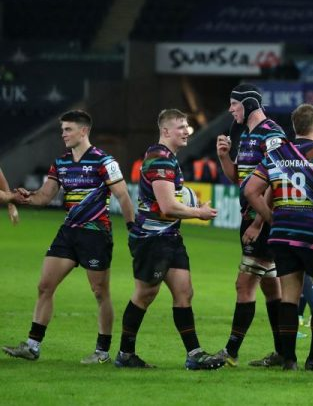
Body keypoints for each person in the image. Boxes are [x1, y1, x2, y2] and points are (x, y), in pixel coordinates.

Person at [3, 110, 134, 363]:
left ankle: (102, 352)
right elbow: (44, 197)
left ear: (83, 131)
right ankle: (32, 346)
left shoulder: (104, 161)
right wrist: (25, 197)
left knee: (100, 292)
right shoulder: (60, 163)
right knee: (45, 286)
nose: (63, 134)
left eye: (68, 129)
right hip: (68, 232)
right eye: (62, 129)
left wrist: (132, 229)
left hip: (95, 233)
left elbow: (123, 196)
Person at [115, 109, 221, 370]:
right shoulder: (160, 160)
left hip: (169, 236)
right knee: (145, 293)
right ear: (165, 131)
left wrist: (192, 204)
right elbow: (167, 206)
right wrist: (198, 213)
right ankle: (125, 354)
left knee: (184, 292)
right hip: (153, 238)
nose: (186, 131)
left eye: (186, 126)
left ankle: (194, 355)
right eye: (180, 127)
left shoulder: (168, 158)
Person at [242, 103, 313, 371]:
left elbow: (250, 191)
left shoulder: (276, 154)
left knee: (289, 296)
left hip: (282, 234)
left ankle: (289, 360)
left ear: (295, 127)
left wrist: (271, 218)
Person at [214, 84, 283, 367]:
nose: (230, 109)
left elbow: (277, 181)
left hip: (262, 221)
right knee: (271, 288)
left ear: (250, 104)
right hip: (250, 218)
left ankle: (230, 352)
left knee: (243, 286)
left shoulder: (272, 134)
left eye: (234, 104)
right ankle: (283, 352)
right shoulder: (246, 135)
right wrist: (224, 157)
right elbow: (240, 180)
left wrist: (258, 222)